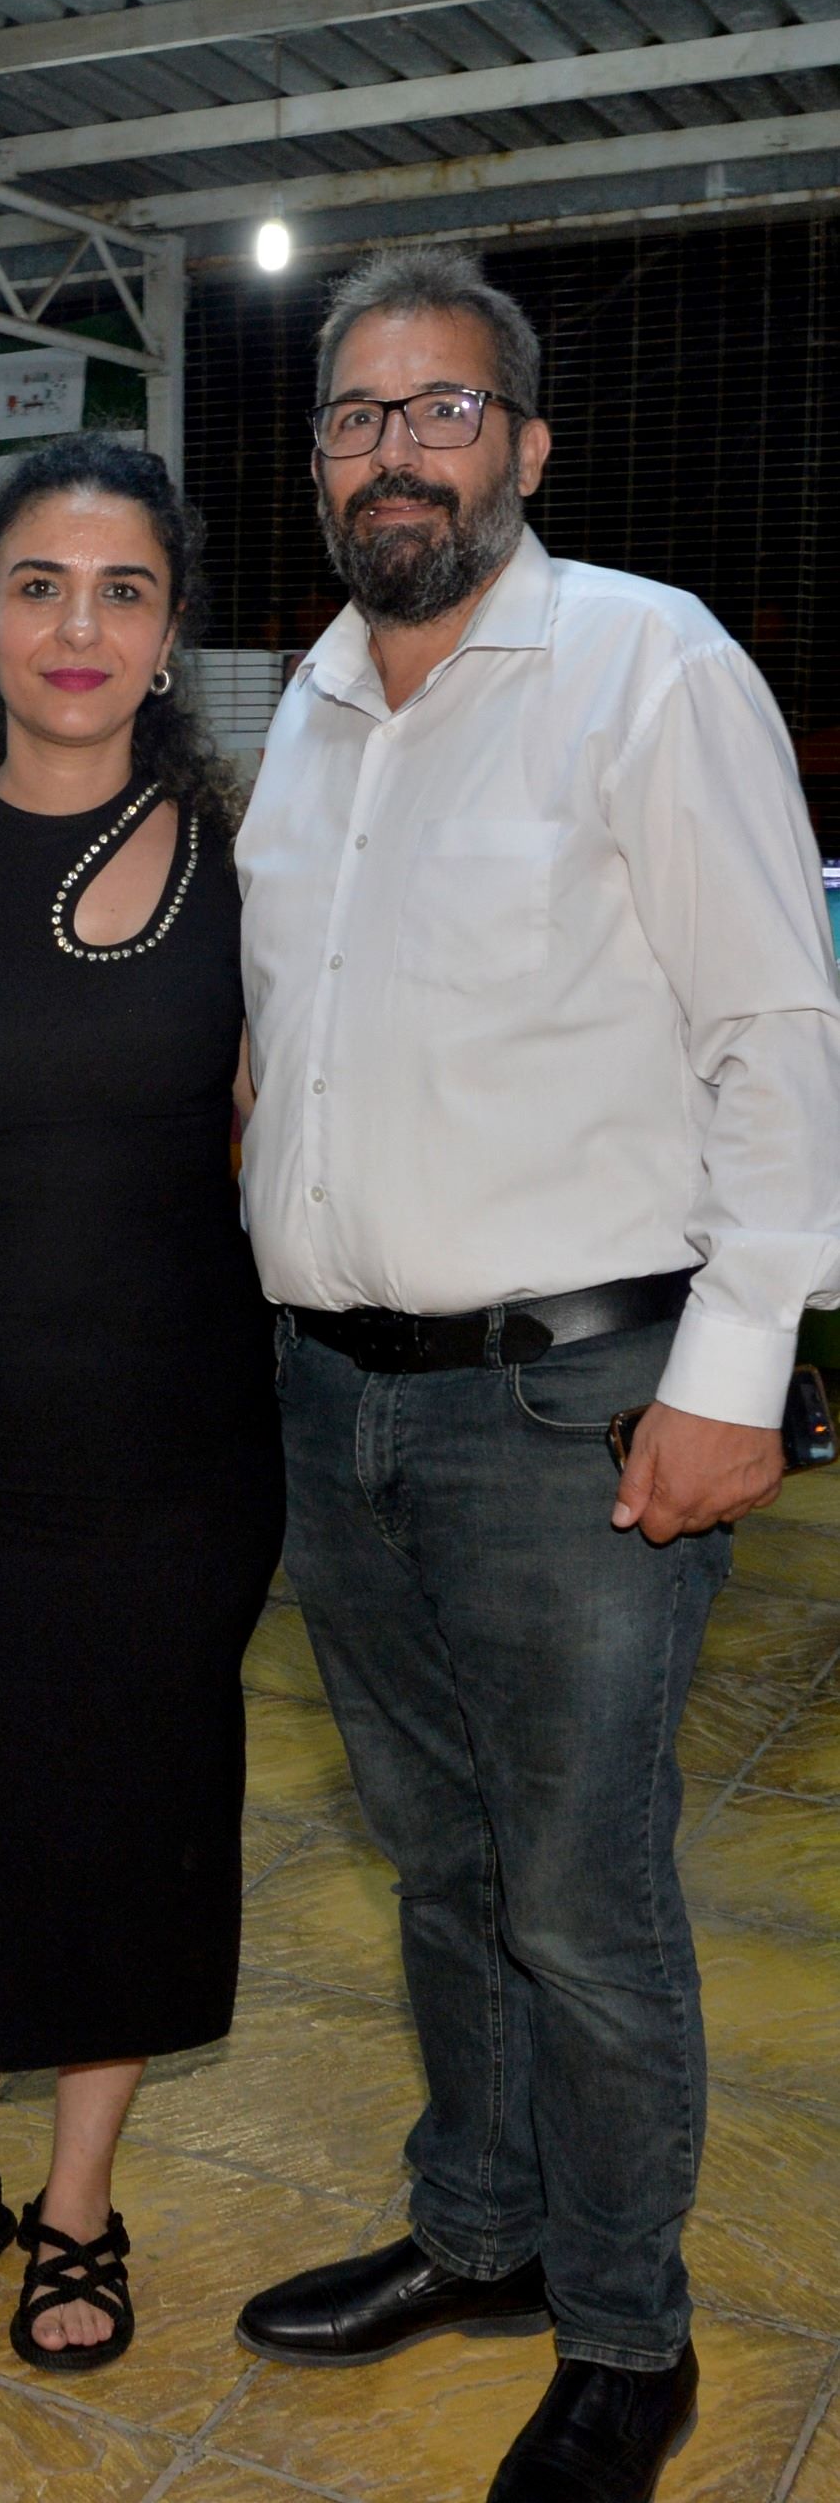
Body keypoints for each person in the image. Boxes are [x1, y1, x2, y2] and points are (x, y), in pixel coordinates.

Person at [233, 245, 840, 2503]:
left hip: (570, 1410)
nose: (396, 450)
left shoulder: (645, 665)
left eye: (442, 409)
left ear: (525, 446)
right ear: (318, 463)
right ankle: (476, 2230)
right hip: (337, 1406)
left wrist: (736, 1371)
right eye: (356, 416)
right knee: (437, 1863)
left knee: (580, 1898)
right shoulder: (306, 712)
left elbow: (775, 1029)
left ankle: (623, 2328)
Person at [0, 434, 281, 2373]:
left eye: (120, 591)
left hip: (177, 1443)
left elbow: (281, 1164)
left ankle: (78, 2199)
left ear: (169, 633)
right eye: (37, 586)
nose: (75, 628)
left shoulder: (259, 881)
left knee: (133, 1813)